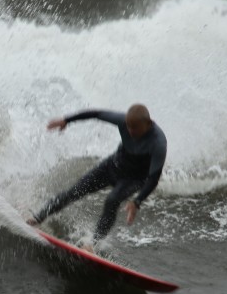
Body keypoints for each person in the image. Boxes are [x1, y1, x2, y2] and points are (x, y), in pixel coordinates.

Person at [27, 104, 167, 251]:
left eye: (135, 128)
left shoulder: (158, 143)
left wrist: (137, 201)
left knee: (112, 200)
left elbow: (153, 178)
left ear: (148, 124)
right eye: (129, 126)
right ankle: (37, 218)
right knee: (75, 190)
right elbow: (97, 113)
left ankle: (92, 244)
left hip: (133, 179)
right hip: (112, 166)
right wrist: (67, 120)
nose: (131, 131)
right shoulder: (123, 120)